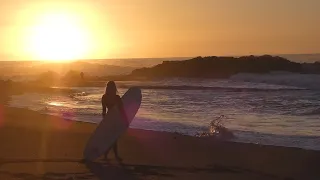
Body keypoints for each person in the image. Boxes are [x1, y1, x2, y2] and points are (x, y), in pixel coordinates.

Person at [101, 81, 127, 161]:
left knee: (111, 138)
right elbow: (122, 110)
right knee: (113, 138)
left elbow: (104, 111)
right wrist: (125, 120)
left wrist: (104, 121)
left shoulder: (104, 97)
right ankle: (113, 156)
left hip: (110, 119)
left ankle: (107, 155)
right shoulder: (117, 97)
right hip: (115, 119)